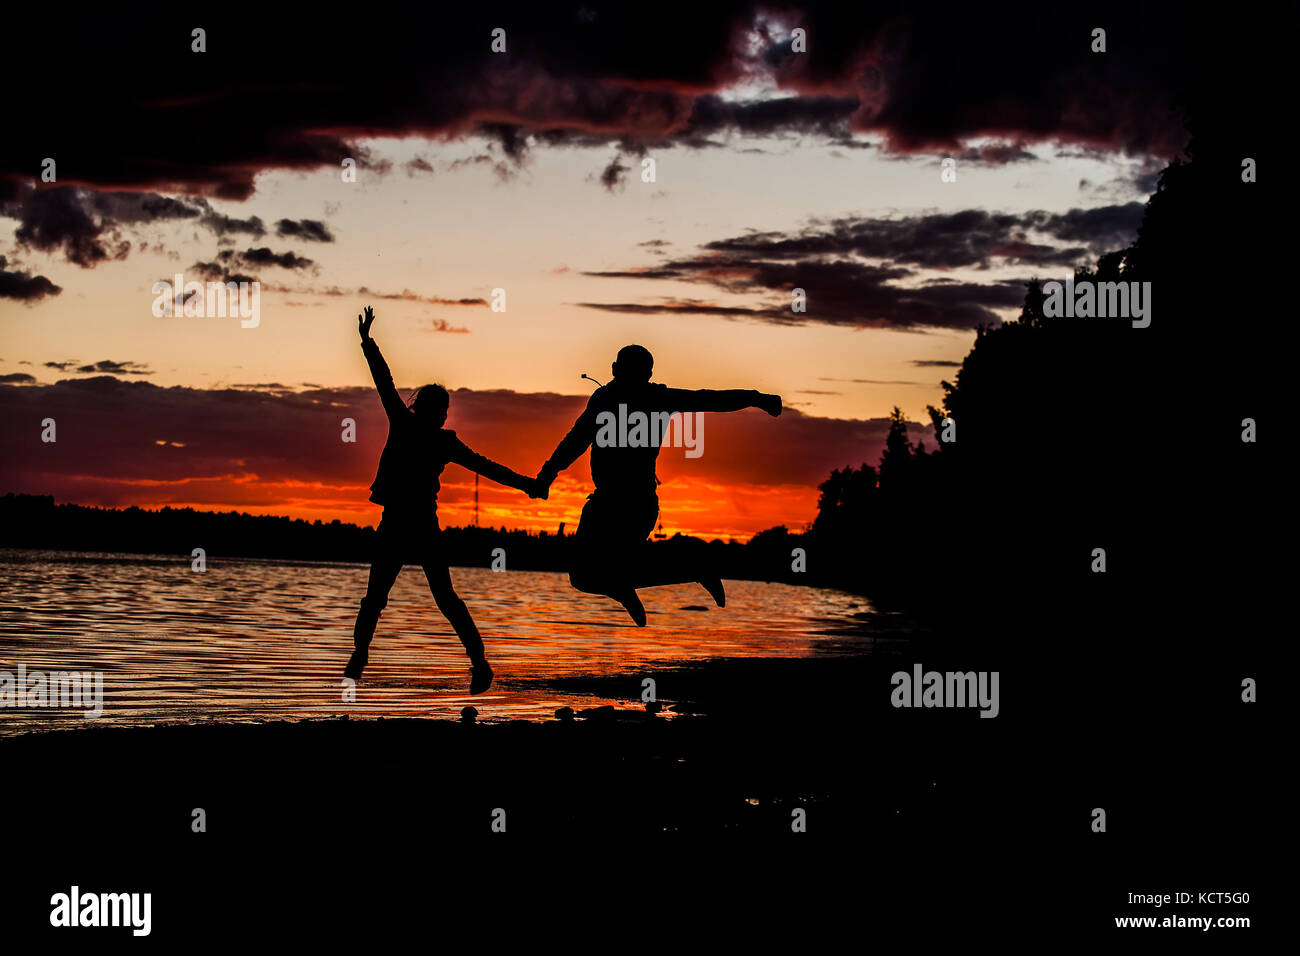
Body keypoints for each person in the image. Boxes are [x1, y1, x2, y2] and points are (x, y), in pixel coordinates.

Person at [345, 306, 545, 693]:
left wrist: (527, 485)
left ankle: (479, 665)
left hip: (420, 527)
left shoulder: (441, 440)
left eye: (445, 412)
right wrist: (368, 342)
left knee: (441, 598)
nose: (442, 416)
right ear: (423, 409)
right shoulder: (407, 424)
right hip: (400, 525)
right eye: (439, 410)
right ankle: (361, 654)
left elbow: (487, 467)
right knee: (379, 598)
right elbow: (384, 382)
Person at [536, 344, 781, 625]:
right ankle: (642, 581)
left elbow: (708, 400)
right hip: (608, 504)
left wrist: (756, 398)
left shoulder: (634, 398)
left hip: (632, 506)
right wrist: (756, 398)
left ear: (616, 369)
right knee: (583, 575)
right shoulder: (620, 398)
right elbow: (575, 441)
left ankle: (686, 567)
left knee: (588, 574)